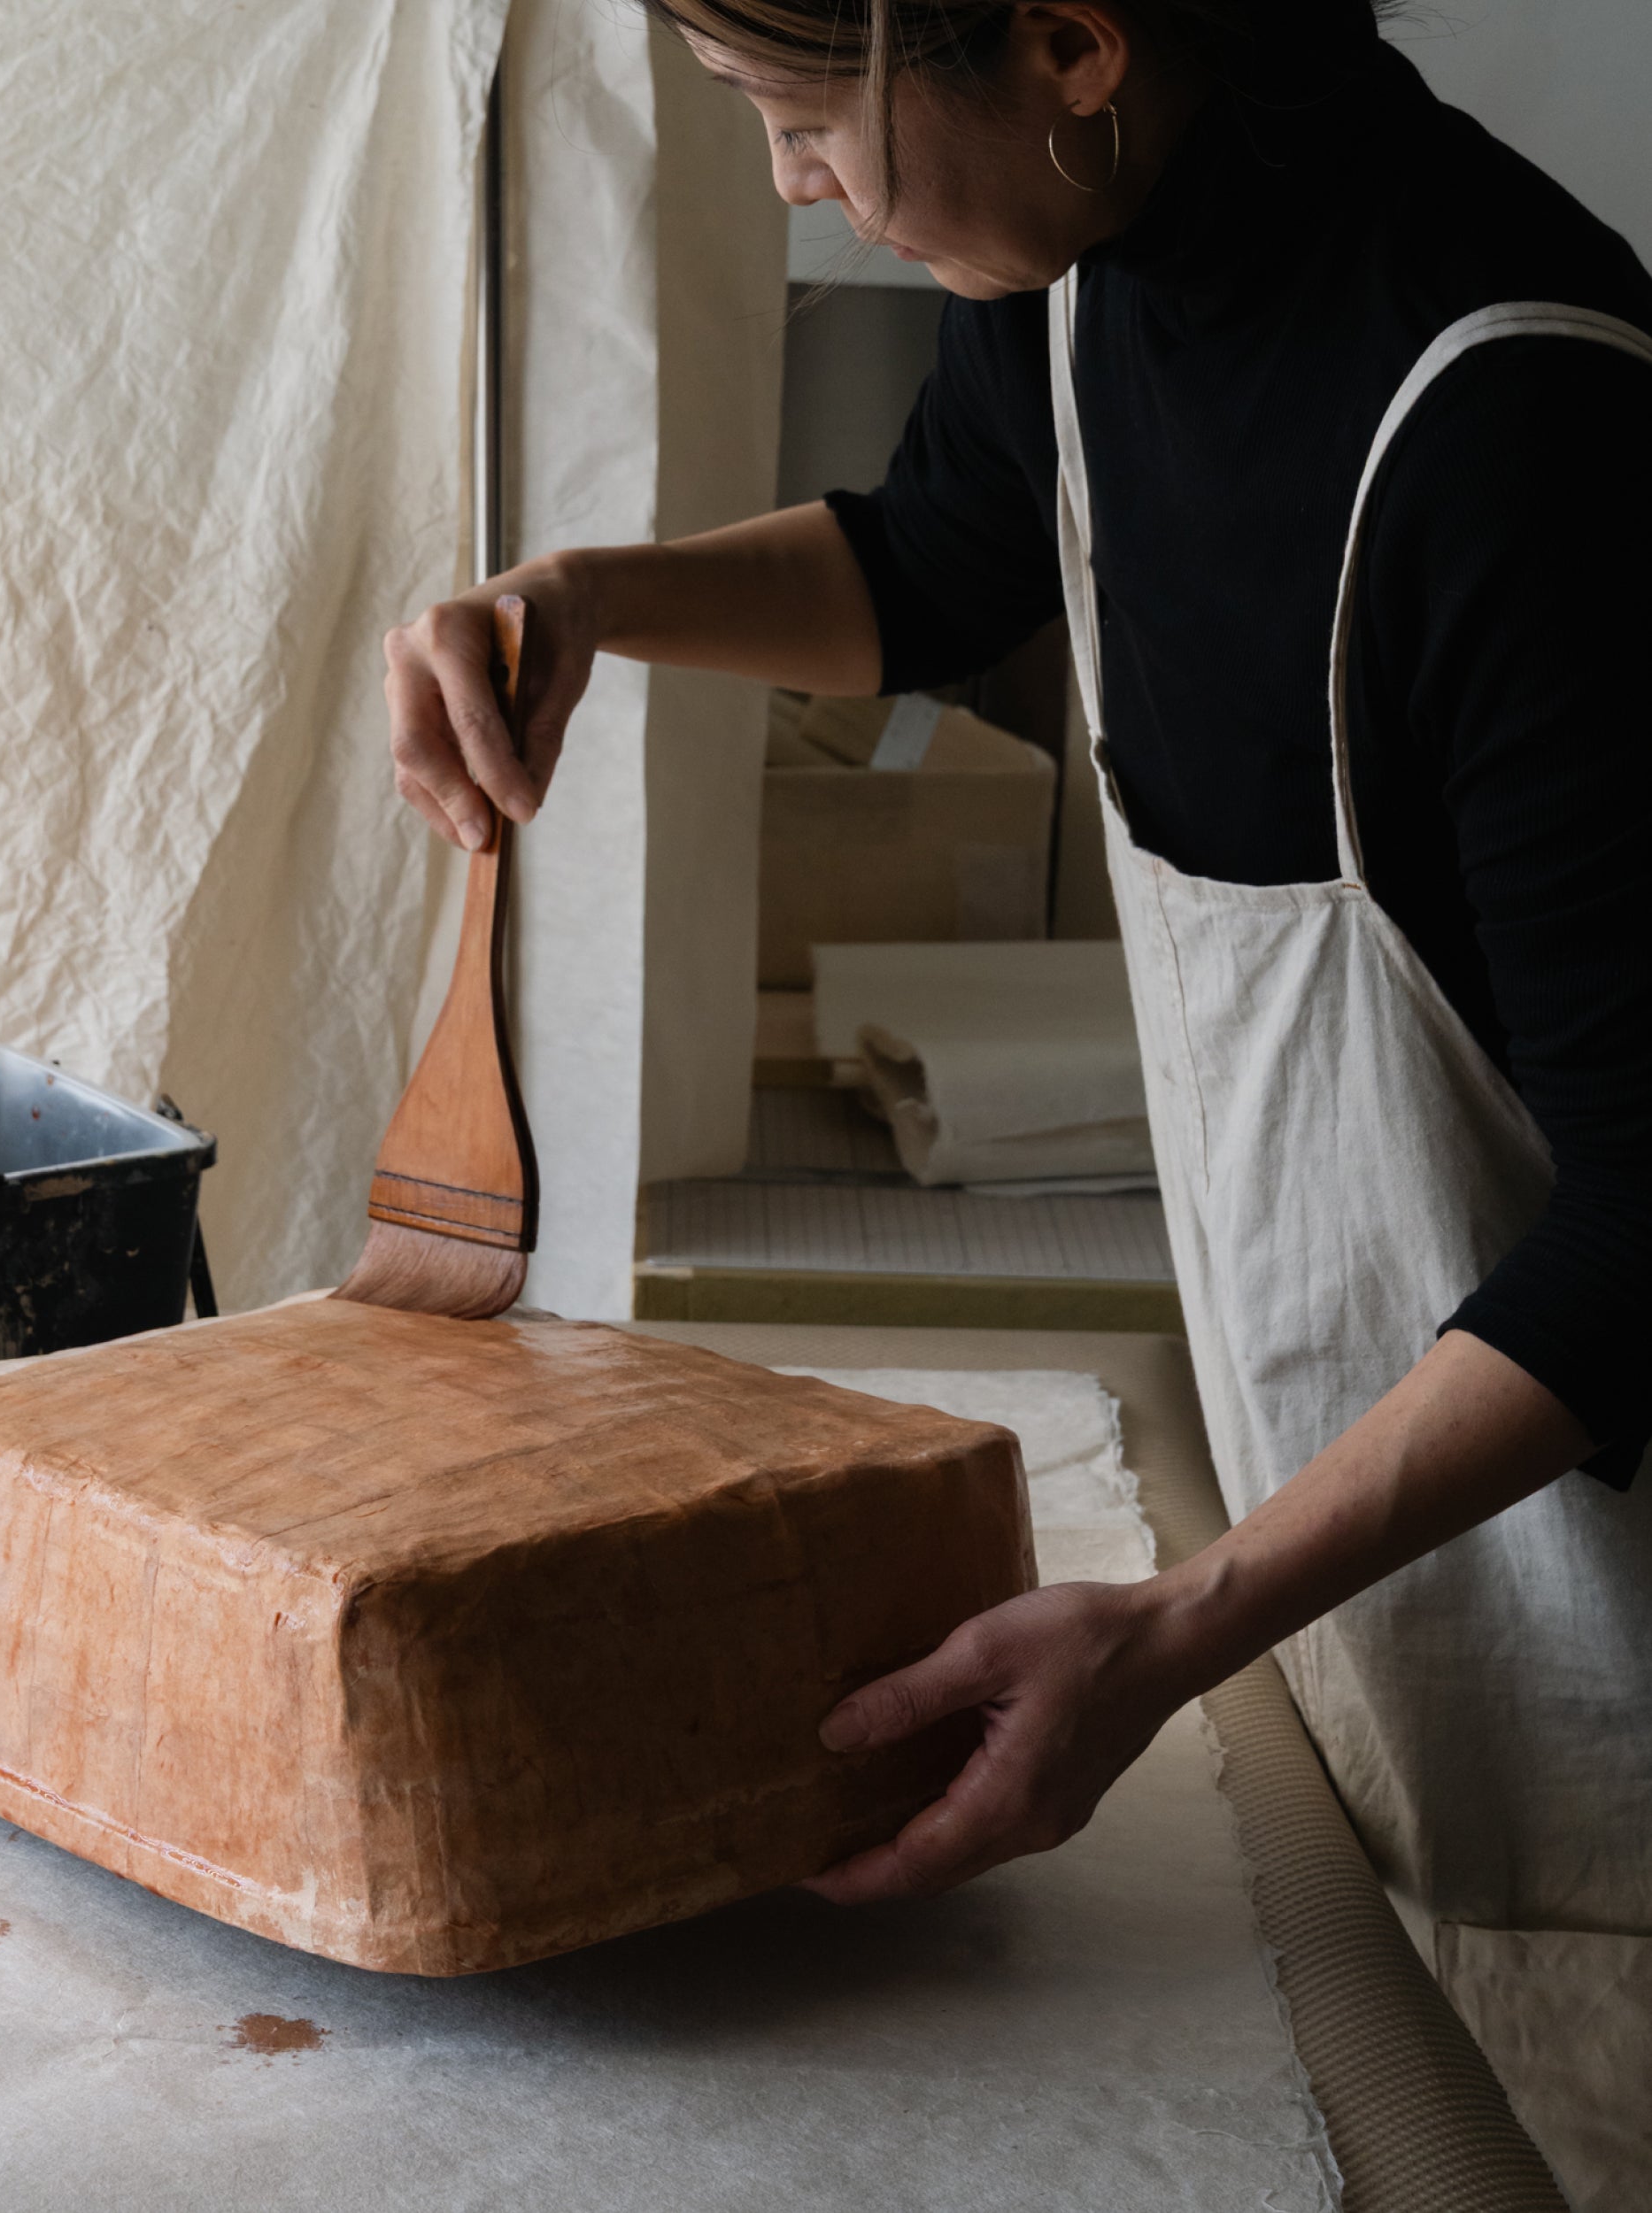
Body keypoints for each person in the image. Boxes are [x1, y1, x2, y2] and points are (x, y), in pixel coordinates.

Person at [382, 0, 1652, 2192]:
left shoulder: (1514, 423)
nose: (795, 186)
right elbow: (933, 562)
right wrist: (581, 601)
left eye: (803, 121)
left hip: (1613, 1666)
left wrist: (1174, 1623)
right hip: (1355, 1581)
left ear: (1067, 44)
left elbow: (1648, 1227)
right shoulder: (1074, 266)